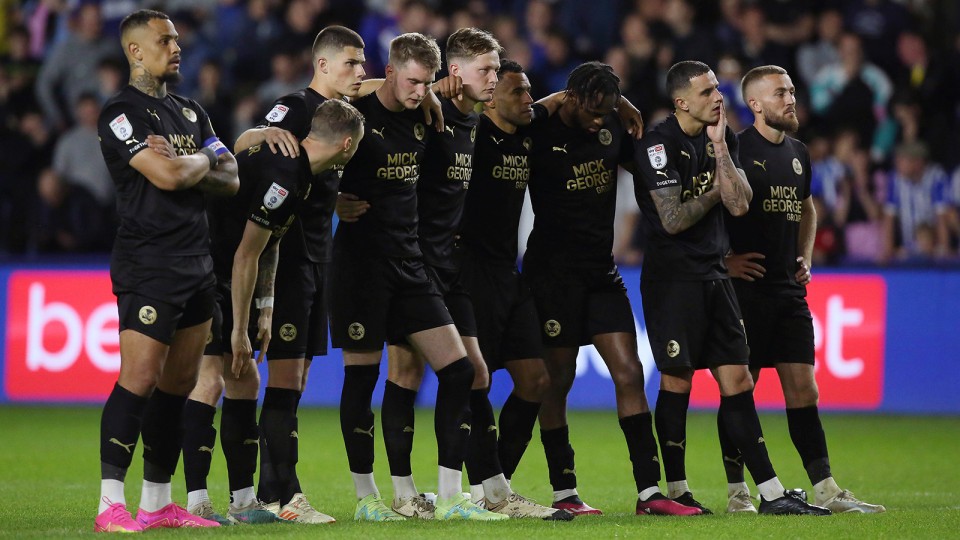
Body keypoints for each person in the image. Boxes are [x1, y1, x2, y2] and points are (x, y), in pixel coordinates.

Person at [372, 30, 568, 520]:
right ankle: (418, 494)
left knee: (475, 374)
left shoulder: (476, 122)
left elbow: (536, 106)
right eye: (488, 70)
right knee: (413, 371)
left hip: (455, 269)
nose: (497, 78)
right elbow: (363, 105)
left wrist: (591, 96)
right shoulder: (424, 112)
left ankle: (478, 492)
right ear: (454, 73)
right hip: (414, 264)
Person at [632, 60, 830, 516]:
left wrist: (721, 149)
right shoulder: (658, 145)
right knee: (677, 380)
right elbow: (674, 218)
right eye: (707, 93)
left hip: (716, 280)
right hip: (674, 281)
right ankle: (676, 490)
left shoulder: (726, 138)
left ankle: (770, 493)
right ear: (682, 101)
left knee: (738, 379)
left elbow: (739, 206)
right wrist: (717, 190)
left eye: (718, 89)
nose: (718, 98)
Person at [329, 32, 506, 522]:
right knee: (361, 381)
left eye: (426, 83)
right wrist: (331, 201)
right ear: (388, 72)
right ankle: (369, 499)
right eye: (411, 82)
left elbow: (440, 99)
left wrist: (429, 95)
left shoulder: (428, 114)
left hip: (409, 266)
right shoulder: (356, 117)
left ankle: (450, 498)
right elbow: (312, 157)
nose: (417, 91)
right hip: (360, 268)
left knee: (460, 370)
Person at [522, 61, 699, 517]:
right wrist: (592, 101)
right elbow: (516, 115)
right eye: (594, 111)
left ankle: (649, 492)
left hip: (601, 273)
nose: (600, 121)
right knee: (556, 381)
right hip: (551, 277)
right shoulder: (540, 130)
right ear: (573, 99)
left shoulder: (612, 124)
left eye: (608, 110)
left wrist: (621, 104)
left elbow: (645, 168)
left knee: (629, 372)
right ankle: (565, 492)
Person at [179, 99, 365, 525]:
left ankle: (244, 502)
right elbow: (247, 255)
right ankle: (195, 502)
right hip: (203, 268)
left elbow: (272, 241)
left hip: (224, 270)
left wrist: (265, 307)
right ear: (347, 145)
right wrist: (240, 331)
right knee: (210, 379)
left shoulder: (293, 165)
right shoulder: (287, 176)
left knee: (244, 379)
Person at [94, 9, 239, 533]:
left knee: (179, 386)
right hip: (148, 262)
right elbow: (167, 175)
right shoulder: (120, 112)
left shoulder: (191, 111)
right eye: (165, 40)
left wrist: (192, 163)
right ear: (135, 50)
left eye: (177, 39)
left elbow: (232, 177)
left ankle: (156, 505)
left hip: (197, 263)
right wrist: (199, 163)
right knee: (139, 378)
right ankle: (110, 504)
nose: (176, 47)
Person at [720, 64, 887, 514]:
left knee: (804, 389)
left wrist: (806, 256)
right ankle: (738, 491)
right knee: (740, 386)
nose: (790, 99)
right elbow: (714, 211)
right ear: (754, 104)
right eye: (779, 93)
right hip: (745, 291)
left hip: (787, 291)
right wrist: (724, 262)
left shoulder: (798, 152)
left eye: (792, 91)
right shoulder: (735, 147)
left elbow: (807, 208)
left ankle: (826, 489)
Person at [224, 24, 368, 524]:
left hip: (315, 260)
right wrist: (259, 132)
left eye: (363, 63)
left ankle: (270, 493)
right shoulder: (297, 108)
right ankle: (286, 496)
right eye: (351, 63)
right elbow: (244, 143)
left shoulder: (345, 111)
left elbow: (378, 88)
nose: (360, 72)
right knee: (284, 377)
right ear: (322, 65)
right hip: (282, 257)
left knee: (298, 377)